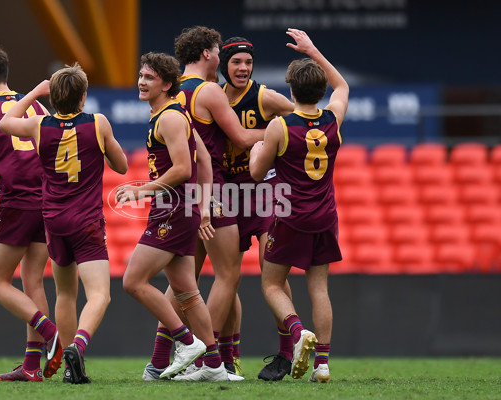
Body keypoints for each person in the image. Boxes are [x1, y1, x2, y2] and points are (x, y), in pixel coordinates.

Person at [0, 63, 128, 384]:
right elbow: (123, 166)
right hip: (86, 221)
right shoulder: (98, 123)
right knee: (99, 294)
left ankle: (70, 365)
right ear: (83, 97)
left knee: (65, 294)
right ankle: (78, 348)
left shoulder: (39, 125)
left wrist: (32, 93)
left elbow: (4, 122)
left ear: (53, 97)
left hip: (54, 222)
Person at [118, 52, 228, 382]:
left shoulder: (169, 118)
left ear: (167, 84)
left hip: (174, 211)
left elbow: (183, 168)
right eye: (140, 75)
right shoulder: (172, 115)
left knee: (133, 282)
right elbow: (205, 160)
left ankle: (186, 342)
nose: (141, 81)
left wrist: (142, 189)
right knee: (187, 292)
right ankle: (215, 366)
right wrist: (204, 206)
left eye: (149, 78)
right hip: (181, 208)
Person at [249, 29, 350, 384]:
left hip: (289, 216)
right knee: (319, 288)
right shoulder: (333, 120)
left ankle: (296, 332)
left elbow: (258, 174)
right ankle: (322, 364)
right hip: (324, 216)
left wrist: (255, 151)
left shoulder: (279, 126)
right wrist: (314, 51)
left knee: (272, 284)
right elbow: (343, 88)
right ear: (320, 90)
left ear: (291, 89)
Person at [0, 46, 62, 382]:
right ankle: (32, 367)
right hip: (46, 198)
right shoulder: (33, 104)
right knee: (32, 280)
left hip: (16, 200)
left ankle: (51, 334)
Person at [217, 36, 295, 380]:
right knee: (227, 278)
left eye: (248, 63)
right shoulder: (213, 98)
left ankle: (287, 353)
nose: (243, 68)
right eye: (236, 62)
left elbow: (299, 120)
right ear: (224, 65)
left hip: (265, 194)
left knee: (272, 274)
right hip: (229, 197)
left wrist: (270, 140)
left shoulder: (264, 96)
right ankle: (228, 357)